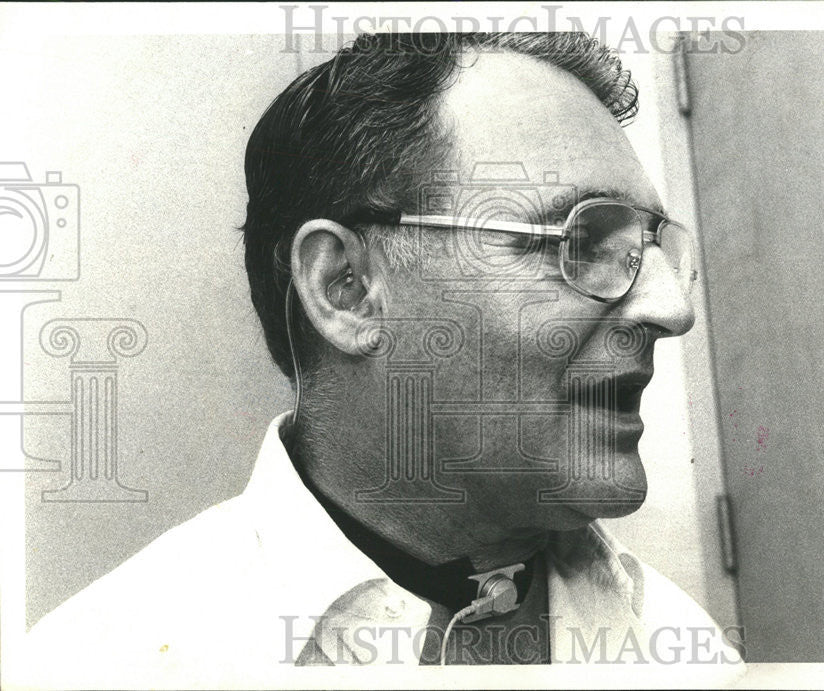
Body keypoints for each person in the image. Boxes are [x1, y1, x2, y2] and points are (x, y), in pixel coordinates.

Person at [26, 33, 744, 680]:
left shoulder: (688, 649)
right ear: (346, 290)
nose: (670, 308)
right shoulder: (103, 663)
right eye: (582, 242)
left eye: (652, 249)